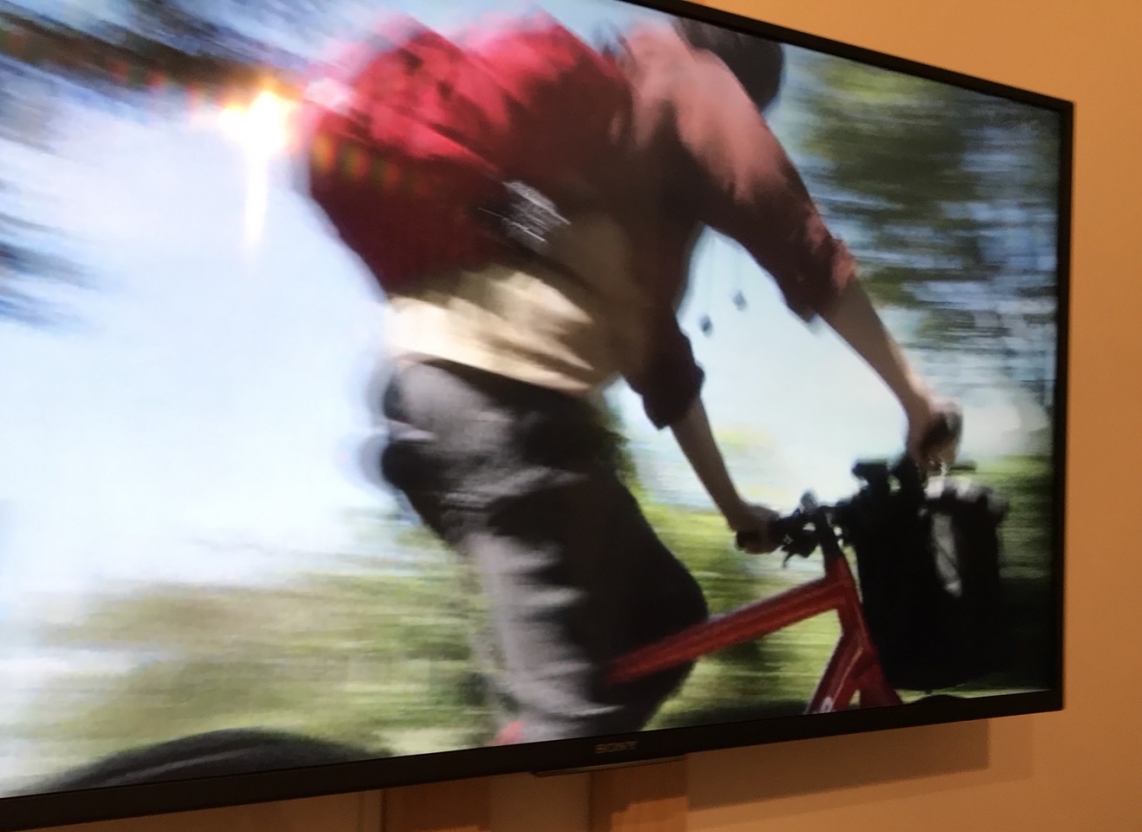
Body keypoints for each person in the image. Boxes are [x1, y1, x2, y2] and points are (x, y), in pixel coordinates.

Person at [374, 18, 959, 744]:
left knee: (666, 616)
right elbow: (794, 233)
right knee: (575, 733)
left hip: (470, 409)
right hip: (496, 411)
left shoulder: (618, 142)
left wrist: (735, 509)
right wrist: (916, 398)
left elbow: (665, 369)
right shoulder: (688, 81)